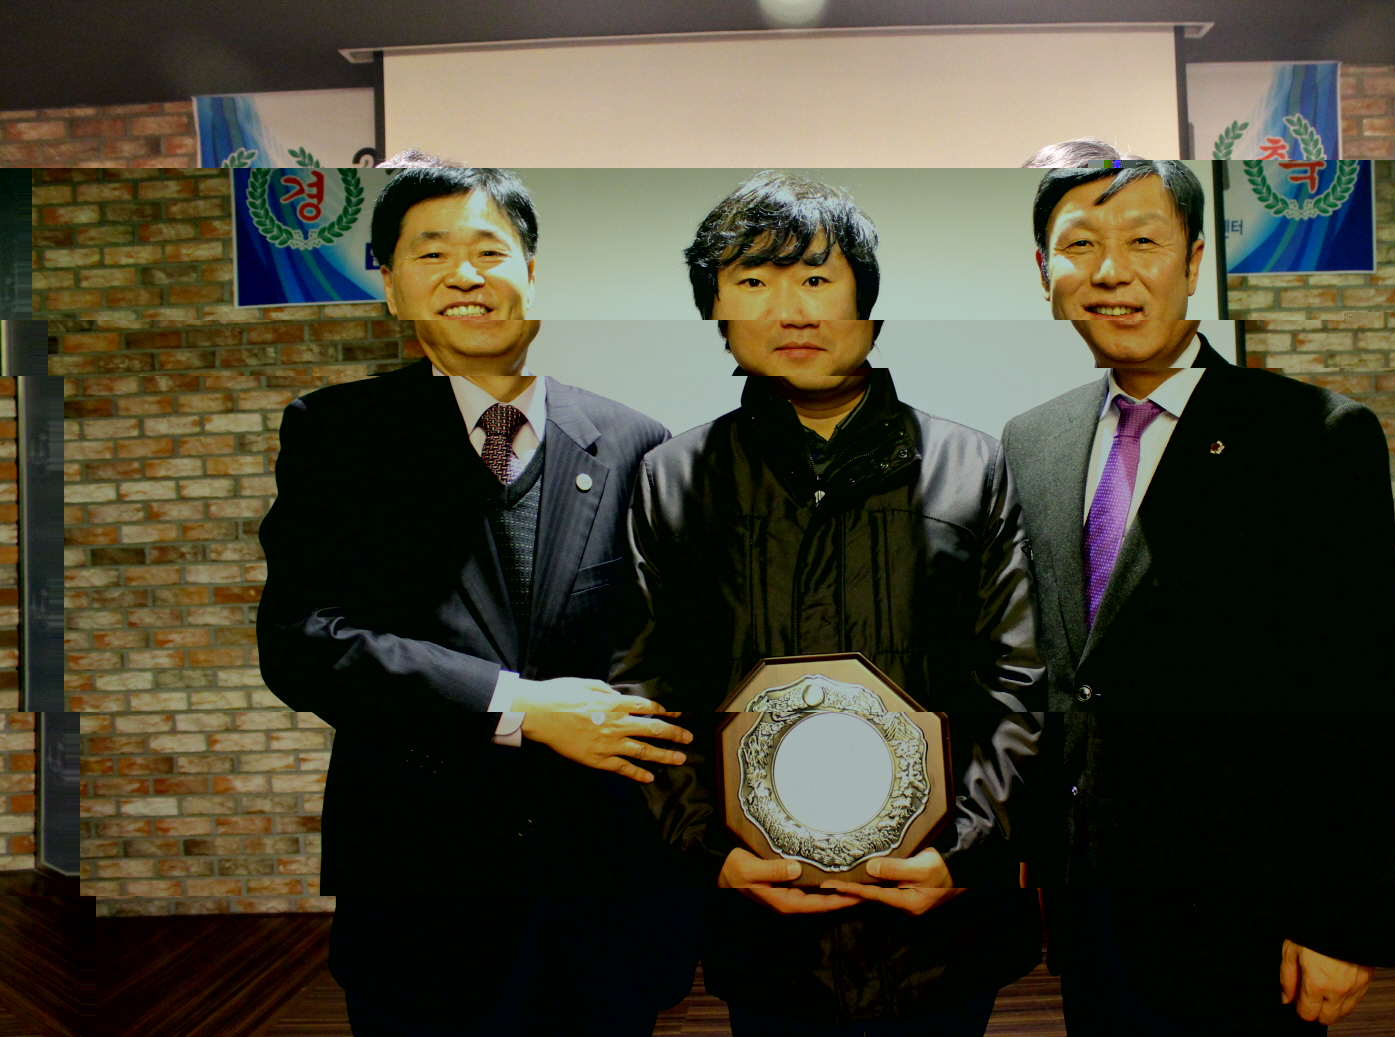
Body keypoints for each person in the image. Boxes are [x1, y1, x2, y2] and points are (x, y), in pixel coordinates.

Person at [257, 166, 695, 1036]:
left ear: (532, 273)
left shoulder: (637, 442)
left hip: (596, 890)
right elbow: (304, 639)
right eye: (432, 255)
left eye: (490, 252)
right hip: (421, 881)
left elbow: (667, 646)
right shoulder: (339, 434)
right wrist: (519, 705)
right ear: (391, 287)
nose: (465, 275)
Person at [613, 170, 1043, 1035]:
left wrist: (960, 851)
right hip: (765, 926)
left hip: (939, 925)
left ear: (868, 304)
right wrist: (712, 852)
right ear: (716, 313)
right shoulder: (672, 478)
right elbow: (647, 688)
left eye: (815, 278)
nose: (791, 311)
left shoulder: (971, 466)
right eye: (752, 281)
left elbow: (1018, 678)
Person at [1001, 161, 1395, 1036]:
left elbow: (1361, 696)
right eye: (1080, 245)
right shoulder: (1031, 439)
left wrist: (1342, 917)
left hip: (1247, 916)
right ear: (1045, 273)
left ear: (1192, 261)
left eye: (1142, 241)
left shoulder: (1313, 436)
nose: (1110, 271)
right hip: (1090, 907)